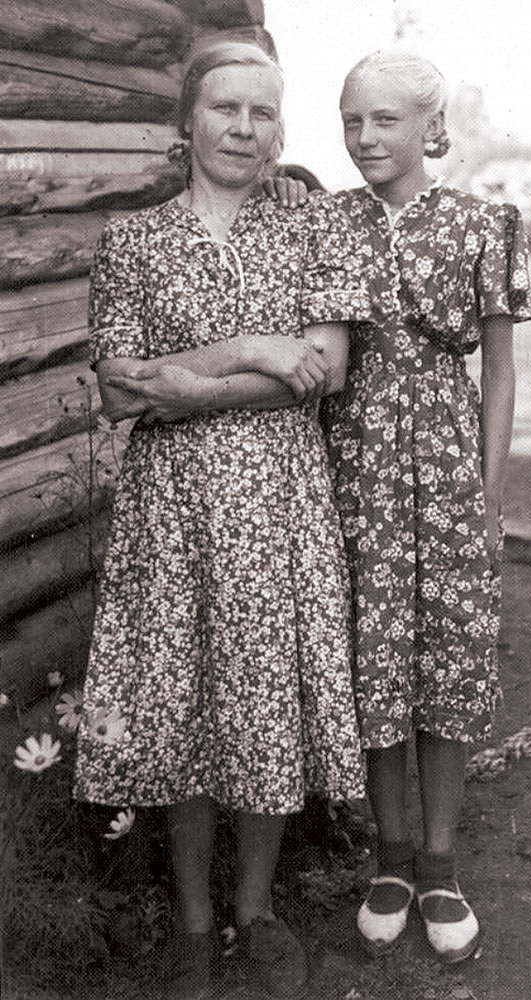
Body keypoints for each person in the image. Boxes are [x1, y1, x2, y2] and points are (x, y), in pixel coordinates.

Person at [73, 41, 371, 999]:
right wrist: (252, 347)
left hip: (278, 504)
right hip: (172, 512)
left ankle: (257, 909)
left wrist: (185, 385)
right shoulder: (133, 240)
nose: (243, 128)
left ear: (279, 129)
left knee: (262, 699)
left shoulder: (314, 225)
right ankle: (197, 924)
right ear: (187, 120)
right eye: (225, 108)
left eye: (262, 112)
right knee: (186, 701)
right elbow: (120, 395)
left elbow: (323, 370)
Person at [270, 48, 531, 964]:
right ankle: (389, 862)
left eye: (385, 119)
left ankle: (440, 865)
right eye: (351, 120)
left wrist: (489, 496)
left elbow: (499, 371)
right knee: (374, 655)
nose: (365, 137)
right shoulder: (325, 220)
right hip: (353, 466)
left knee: (448, 656)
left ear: (432, 126)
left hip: (449, 464)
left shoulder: (484, 223)